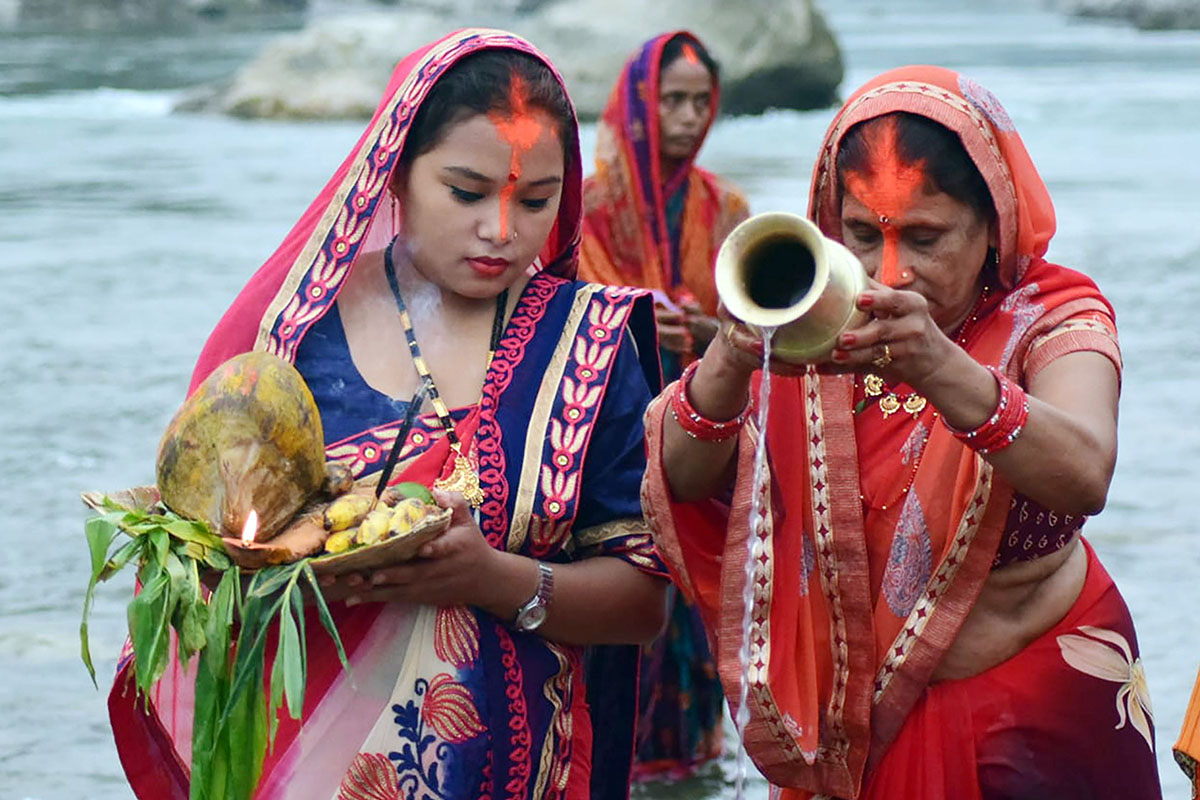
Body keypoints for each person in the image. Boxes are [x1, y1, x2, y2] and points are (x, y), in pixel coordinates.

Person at [106, 29, 669, 800]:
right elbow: (208, 559)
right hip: (311, 759)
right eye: (467, 192)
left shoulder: (590, 344)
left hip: (515, 770)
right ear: (396, 172)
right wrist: (286, 569)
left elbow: (643, 603)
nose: (501, 230)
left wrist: (492, 577)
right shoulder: (296, 336)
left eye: (535, 200)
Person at [642, 66, 1162, 799]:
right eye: (861, 234)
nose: (890, 271)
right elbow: (680, 481)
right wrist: (731, 353)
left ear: (995, 226)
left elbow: (1085, 471)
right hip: (853, 733)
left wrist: (940, 366)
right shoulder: (812, 318)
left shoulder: (1053, 317)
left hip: (1035, 709)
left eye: (925, 237)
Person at [577, 30, 749, 780]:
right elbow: (559, 312)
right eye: (670, 100)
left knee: (700, 609)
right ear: (641, 105)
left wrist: (707, 331)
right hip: (607, 446)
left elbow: (756, 326)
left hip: (702, 448)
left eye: (699, 102)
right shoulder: (586, 206)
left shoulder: (727, 209)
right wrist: (636, 316)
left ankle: (690, 773)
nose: (685, 116)